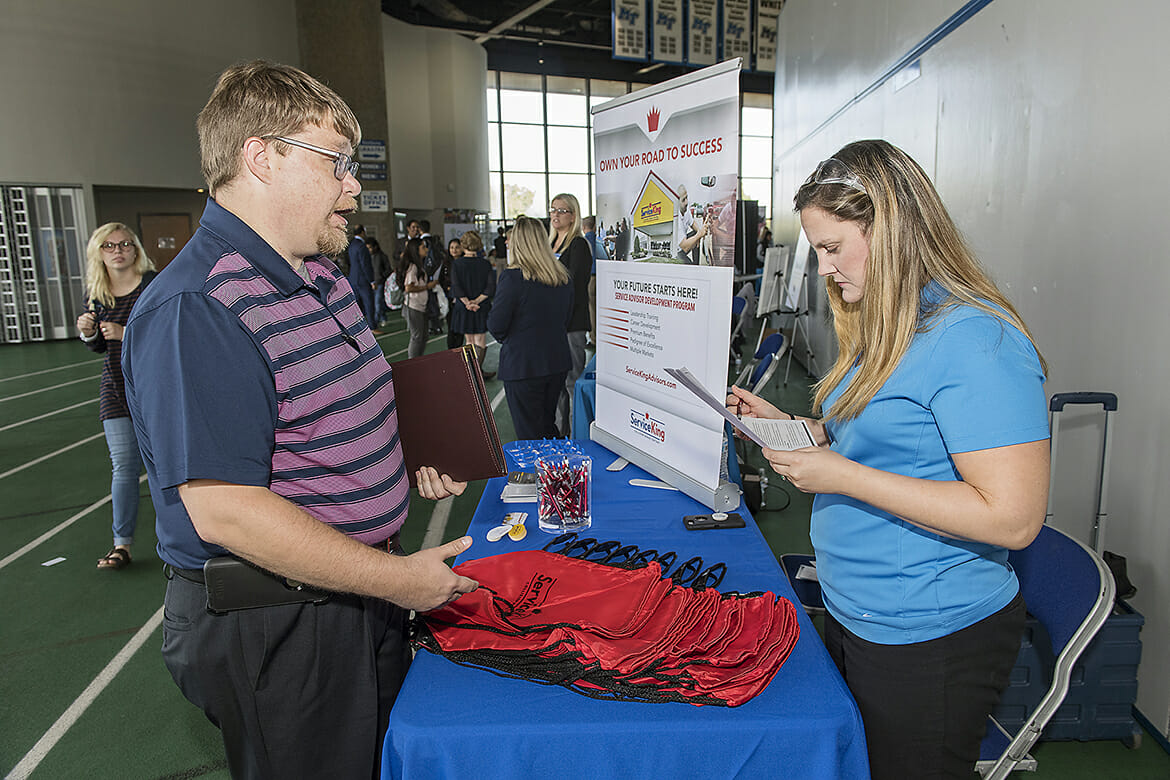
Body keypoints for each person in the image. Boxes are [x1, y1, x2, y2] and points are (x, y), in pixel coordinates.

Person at [120, 61, 477, 780]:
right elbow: (229, 512)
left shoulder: (320, 275)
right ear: (261, 157)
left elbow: (329, 413)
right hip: (280, 622)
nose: (354, 186)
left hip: (354, 590)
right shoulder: (200, 307)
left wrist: (400, 456)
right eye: (337, 164)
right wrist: (400, 581)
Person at [728, 140, 1049, 780]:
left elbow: (1012, 520)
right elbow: (890, 437)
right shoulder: (893, 323)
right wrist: (805, 430)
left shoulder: (976, 340)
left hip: (929, 633)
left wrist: (841, 475)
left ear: (893, 233)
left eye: (832, 248)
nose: (823, 270)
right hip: (862, 610)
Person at [76, 223, 156, 571]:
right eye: (109, 246)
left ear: (135, 249)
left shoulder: (152, 285)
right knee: (123, 466)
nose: (118, 250)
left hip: (155, 390)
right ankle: (121, 545)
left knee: (166, 466)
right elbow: (97, 348)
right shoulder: (96, 293)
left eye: (124, 244)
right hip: (115, 390)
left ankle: (190, 536)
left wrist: (127, 333)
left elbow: (167, 337)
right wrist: (88, 333)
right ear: (99, 253)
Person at [488, 217, 573, 440]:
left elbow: (496, 325)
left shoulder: (513, 278)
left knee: (529, 435)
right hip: (555, 362)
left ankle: (540, 475)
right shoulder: (562, 277)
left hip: (523, 366)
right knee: (547, 426)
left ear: (518, 242)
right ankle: (556, 474)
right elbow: (567, 317)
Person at [548, 193, 592, 436]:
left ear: (573, 215)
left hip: (571, 324)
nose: (555, 214)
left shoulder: (578, 245)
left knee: (572, 383)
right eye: (552, 209)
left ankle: (576, 436)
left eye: (561, 210)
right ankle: (559, 433)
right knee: (556, 384)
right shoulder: (550, 243)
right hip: (551, 326)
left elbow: (573, 287)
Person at [450, 230, 496, 378]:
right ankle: (478, 371)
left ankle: (471, 373)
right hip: (481, 307)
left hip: (464, 308)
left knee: (468, 340)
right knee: (480, 340)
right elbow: (490, 287)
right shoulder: (485, 264)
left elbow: (456, 286)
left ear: (463, 246)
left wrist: (467, 303)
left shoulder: (457, 264)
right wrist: (476, 301)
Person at [399, 237, 438, 359]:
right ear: (416, 250)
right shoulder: (413, 267)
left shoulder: (418, 265)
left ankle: (418, 360)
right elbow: (409, 288)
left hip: (420, 306)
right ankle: (413, 362)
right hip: (414, 306)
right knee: (417, 337)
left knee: (423, 336)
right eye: (423, 247)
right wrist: (427, 286)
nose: (426, 249)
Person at [347, 224, 377, 331]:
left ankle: (357, 329)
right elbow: (366, 265)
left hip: (353, 278)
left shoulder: (351, 245)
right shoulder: (361, 246)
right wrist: (372, 280)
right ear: (363, 232)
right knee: (369, 304)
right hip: (363, 280)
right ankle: (372, 327)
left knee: (356, 305)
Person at [672, 184, 709, 263]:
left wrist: (698, 233)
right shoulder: (675, 218)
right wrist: (699, 235)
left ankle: (696, 264)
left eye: (686, 197)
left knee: (695, 233)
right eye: (683, 200)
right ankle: (692, 267)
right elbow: (684, 246)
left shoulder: (685, 210)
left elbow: (692, 223)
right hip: (676, 252)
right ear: (677, 202)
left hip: (683, 245)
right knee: (689, 266)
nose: (686, 202)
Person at [445, 237, 466, 348]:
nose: (454, 250)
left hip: (463, 301)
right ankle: (450, 352)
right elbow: (442, 280)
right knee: (451, 328)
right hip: (450, 301)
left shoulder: (464, 263)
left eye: (457, 247)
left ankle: (459, 351)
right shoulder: (446, 263)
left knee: (461, 329)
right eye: (452, 247)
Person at [366, 236, 391, 328]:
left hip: (379, 283)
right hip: (370, 284)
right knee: (375, 303)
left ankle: (375, 323)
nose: (369, 250)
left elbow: (388, 269)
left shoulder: (382, 256)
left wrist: (381, 277)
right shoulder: (366, 257)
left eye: (370, 247)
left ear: (375, 247)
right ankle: (383, 317)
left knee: (378, 303)